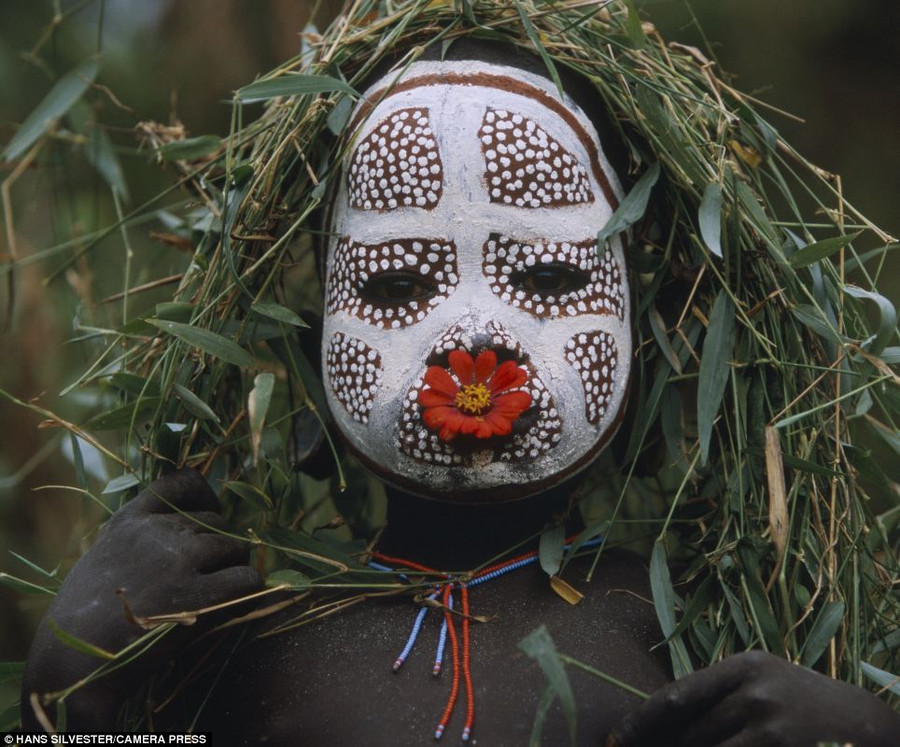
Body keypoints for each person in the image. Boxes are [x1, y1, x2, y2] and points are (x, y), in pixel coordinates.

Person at [20, 22, 900, 747]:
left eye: (550, 279)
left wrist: (866, 730)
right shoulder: (243, 647)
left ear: (655, 315)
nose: (474, 335)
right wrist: (68, 687)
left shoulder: (699, 631)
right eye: (397, 285)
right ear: (313, 320)